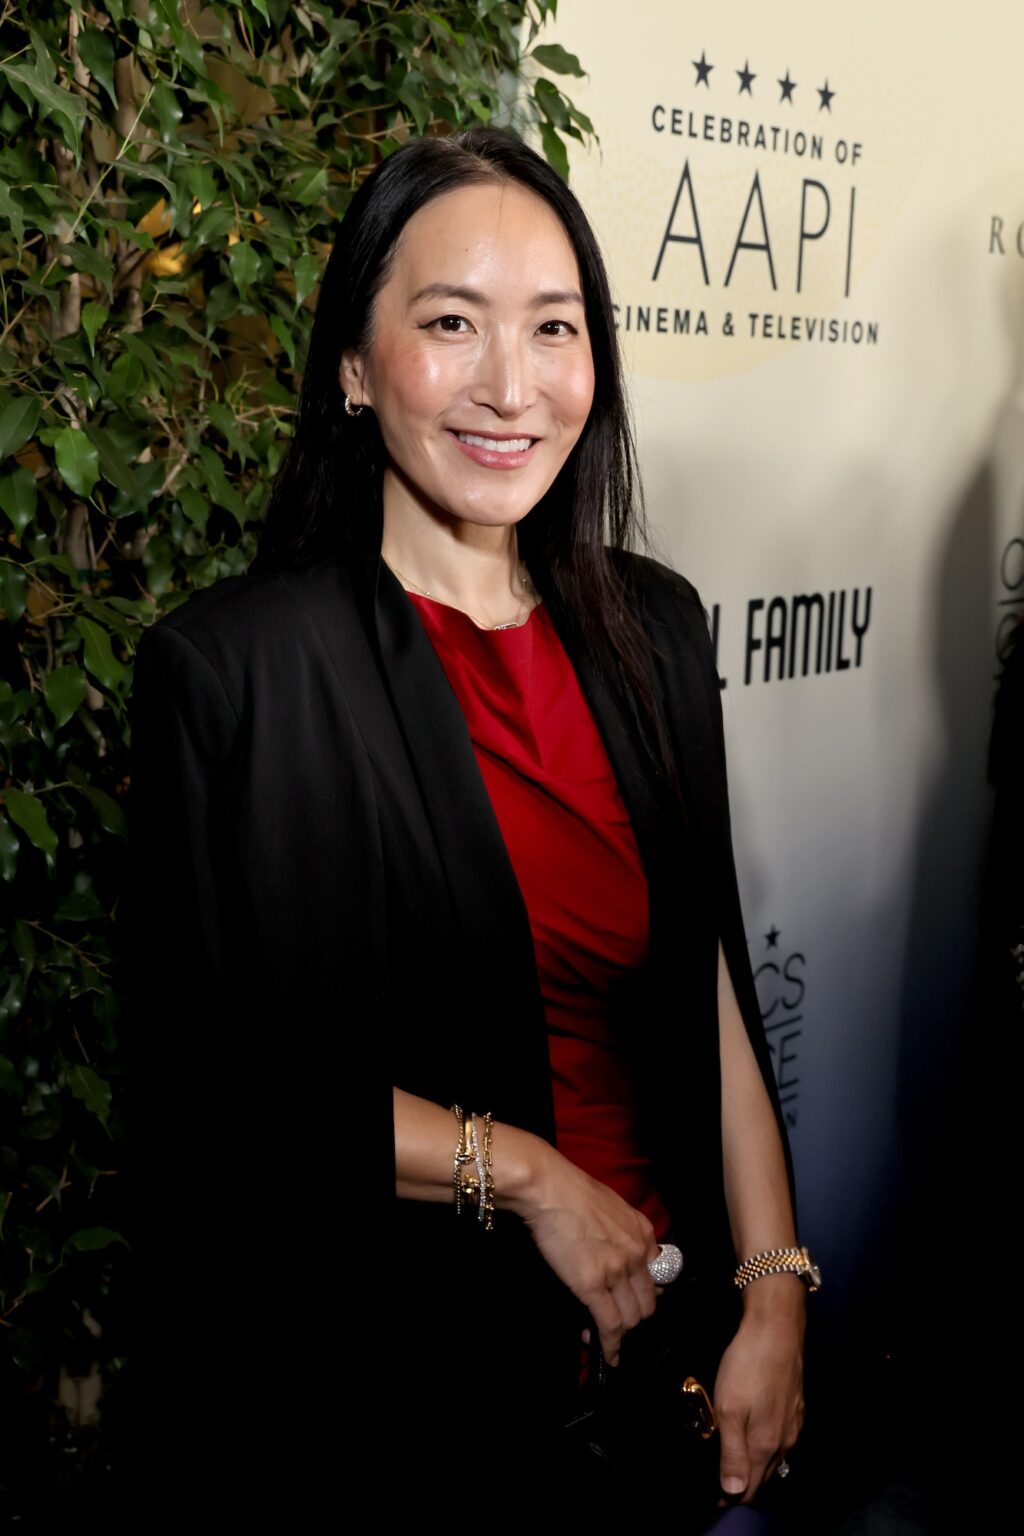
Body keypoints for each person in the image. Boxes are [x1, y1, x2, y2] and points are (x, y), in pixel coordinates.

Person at [123, 126, 814, 1519]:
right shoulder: (239, 672)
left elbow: (712, 993)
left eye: (554, 329)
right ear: (356, 367)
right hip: (394, 1404)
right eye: (452, 324)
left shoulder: (653, 632)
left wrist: (775, 1292)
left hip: (653, 1369)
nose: (513, 386)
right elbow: (218, 1096)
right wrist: (532, 1178)